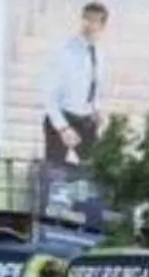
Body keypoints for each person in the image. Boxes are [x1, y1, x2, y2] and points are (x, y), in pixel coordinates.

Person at [42, 2, 107, 164]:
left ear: (102, 26)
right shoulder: (65, 51)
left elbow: (95, 87)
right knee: (54, 174)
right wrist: (63, 128)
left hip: (85, 121)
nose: (88, 25)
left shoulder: (99, 54)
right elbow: (49, 95)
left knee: (95, 170)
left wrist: (96, 109)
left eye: (94, 21)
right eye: (86, 19)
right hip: (62, 118)